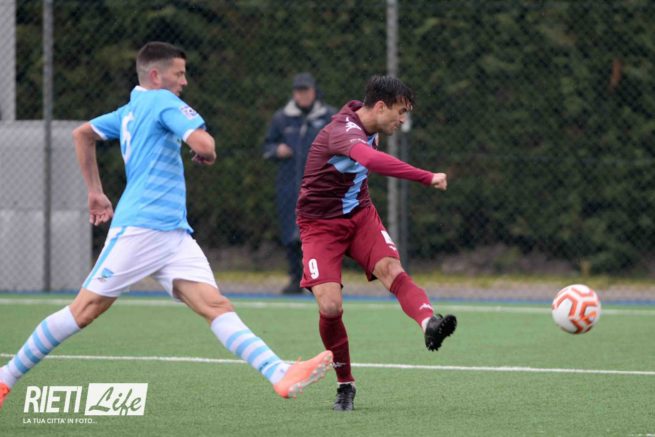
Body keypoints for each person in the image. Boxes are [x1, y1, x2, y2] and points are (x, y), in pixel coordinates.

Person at [0, 42, 332, 411]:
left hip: (173, 233)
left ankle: (278, 372)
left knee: (214, 304)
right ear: (156, 76)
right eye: (179, 74)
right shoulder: (162, 101)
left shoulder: (130, 109)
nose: (184, 82)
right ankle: (5, 378)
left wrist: (95, 192)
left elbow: (83, 134)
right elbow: (205, 144)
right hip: (142, 227)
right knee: (85, 308)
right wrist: (203, 148)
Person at [296, 75, 457, 411]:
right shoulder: (343, 131)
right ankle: (345, 385)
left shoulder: (371, 126)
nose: (403, 120)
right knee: (330, 307)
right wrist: (426, 176)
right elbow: (371, 161)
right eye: (401, 112)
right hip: (319, 226)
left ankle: (429, 323)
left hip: (360, 216)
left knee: (391, 269)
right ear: (381, 107)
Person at [262, 72, 335, 294]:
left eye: (306, 90)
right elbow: (267, 146)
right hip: (290, 187)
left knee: (321, 235)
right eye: (299, 91)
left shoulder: (329, 117)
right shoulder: (282, 118)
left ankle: (322, 279)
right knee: (291, 234)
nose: (303, 95)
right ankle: (297, 279)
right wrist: (277, 150)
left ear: (314, 92)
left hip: (321, 189)